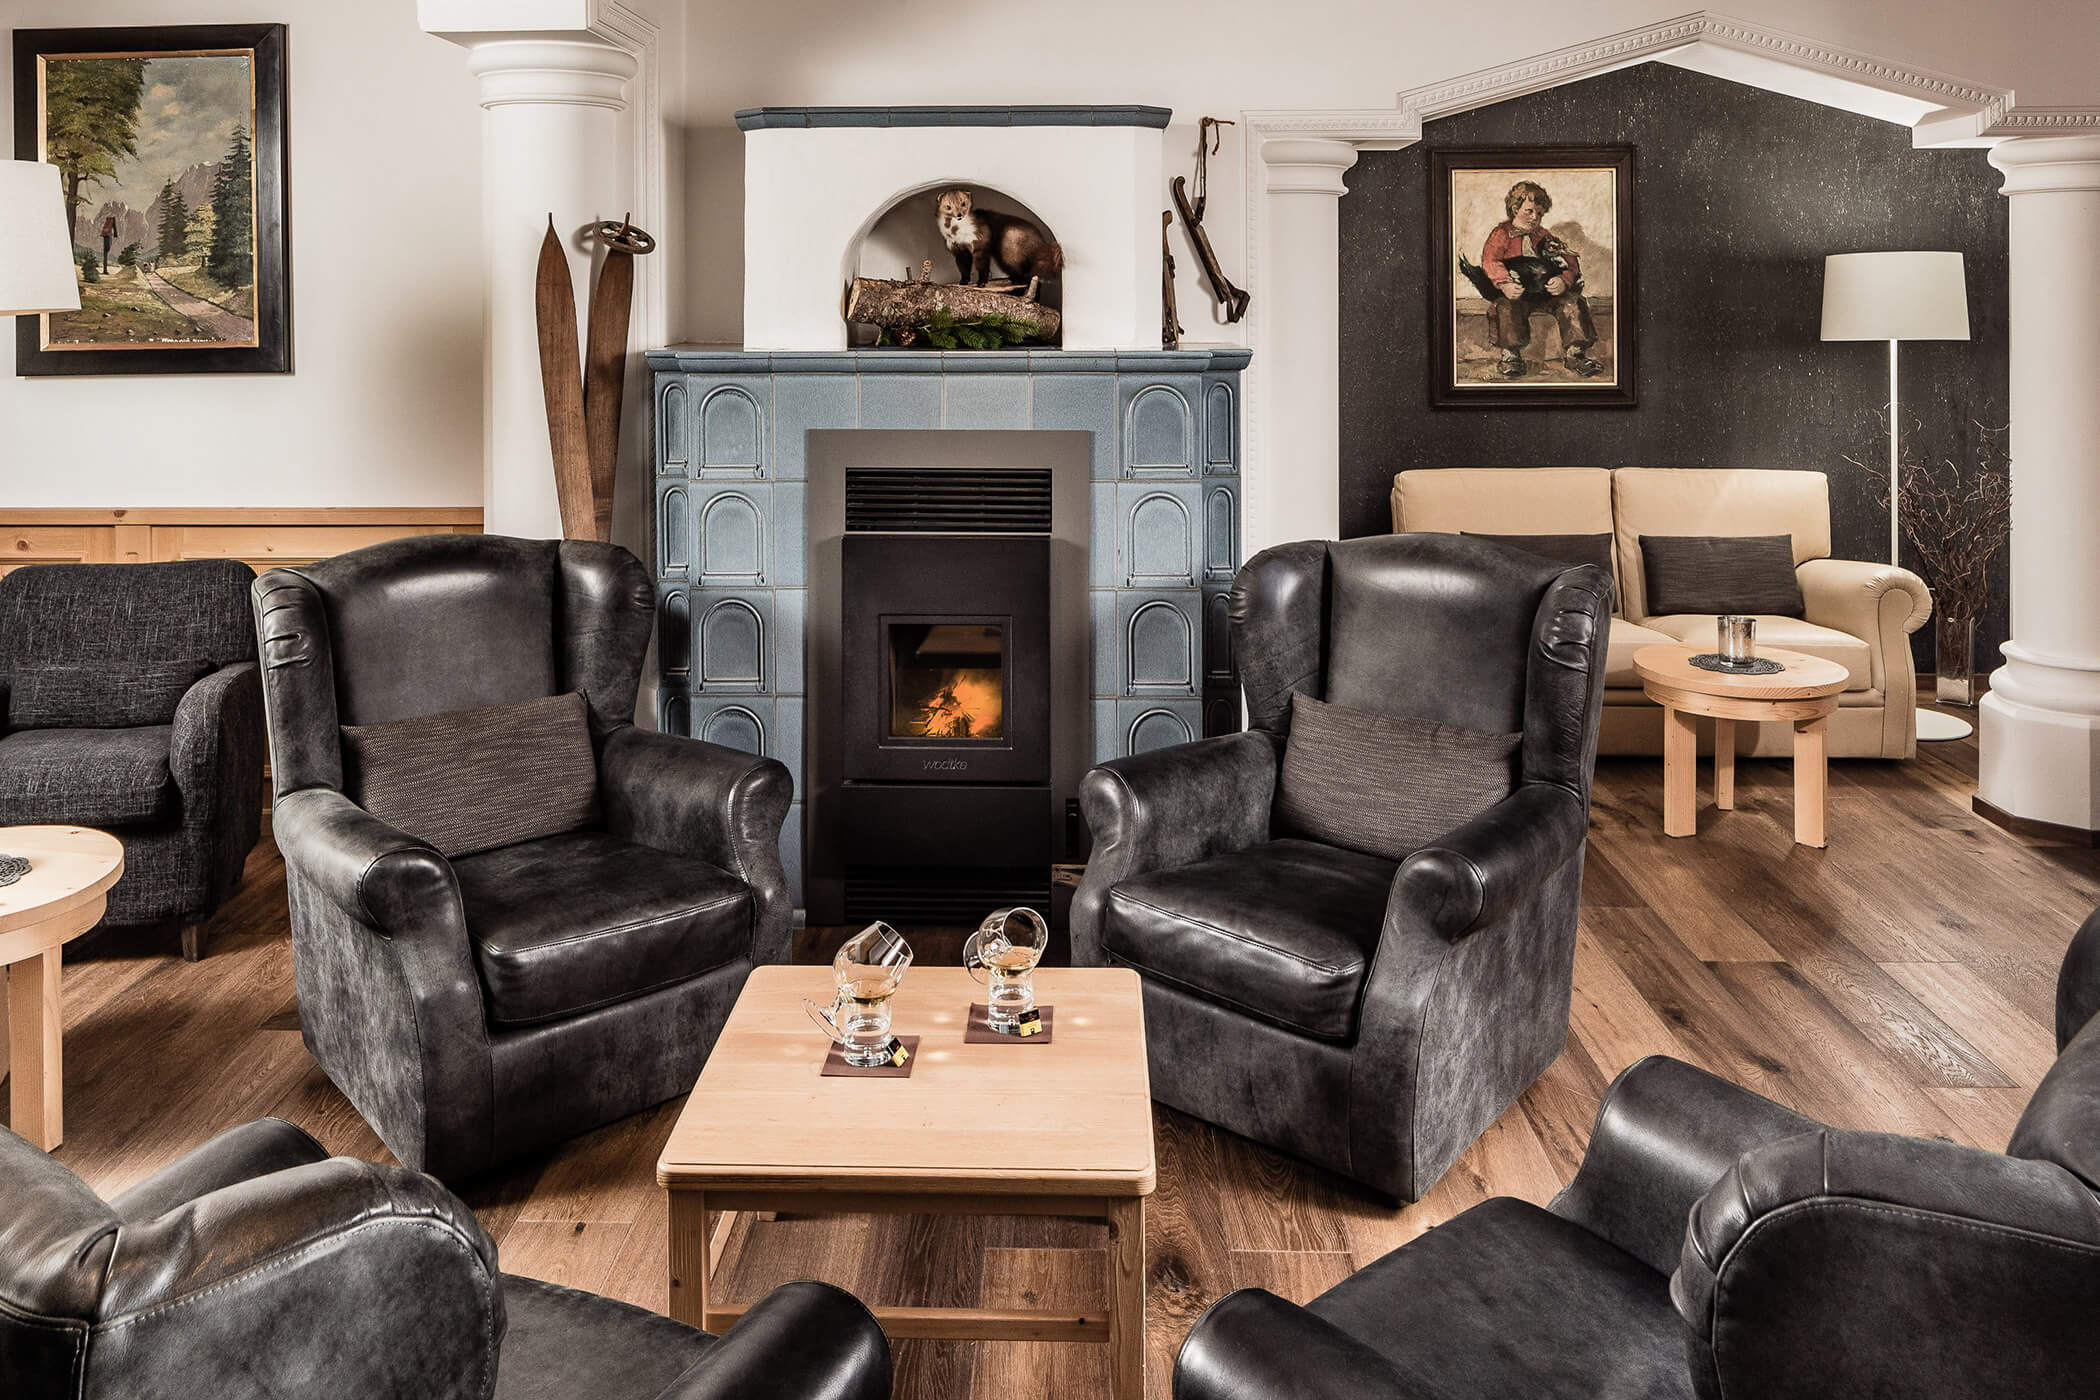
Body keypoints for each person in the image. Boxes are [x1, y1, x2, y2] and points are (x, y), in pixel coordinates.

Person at [1479, 181, 1603, 379]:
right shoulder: (1501, 234)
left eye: (1539, 213)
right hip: (1517, 292)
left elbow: (1570, 261)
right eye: (1529, 211)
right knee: (1506, 307)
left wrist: (1564, 279)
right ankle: (1511, 355)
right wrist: (1505, 282)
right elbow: (1489, 261)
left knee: (1573, 303)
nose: (1535, 217)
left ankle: (1575, 354)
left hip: (1546, 292)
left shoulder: (1544, 235)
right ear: (1515, 209)